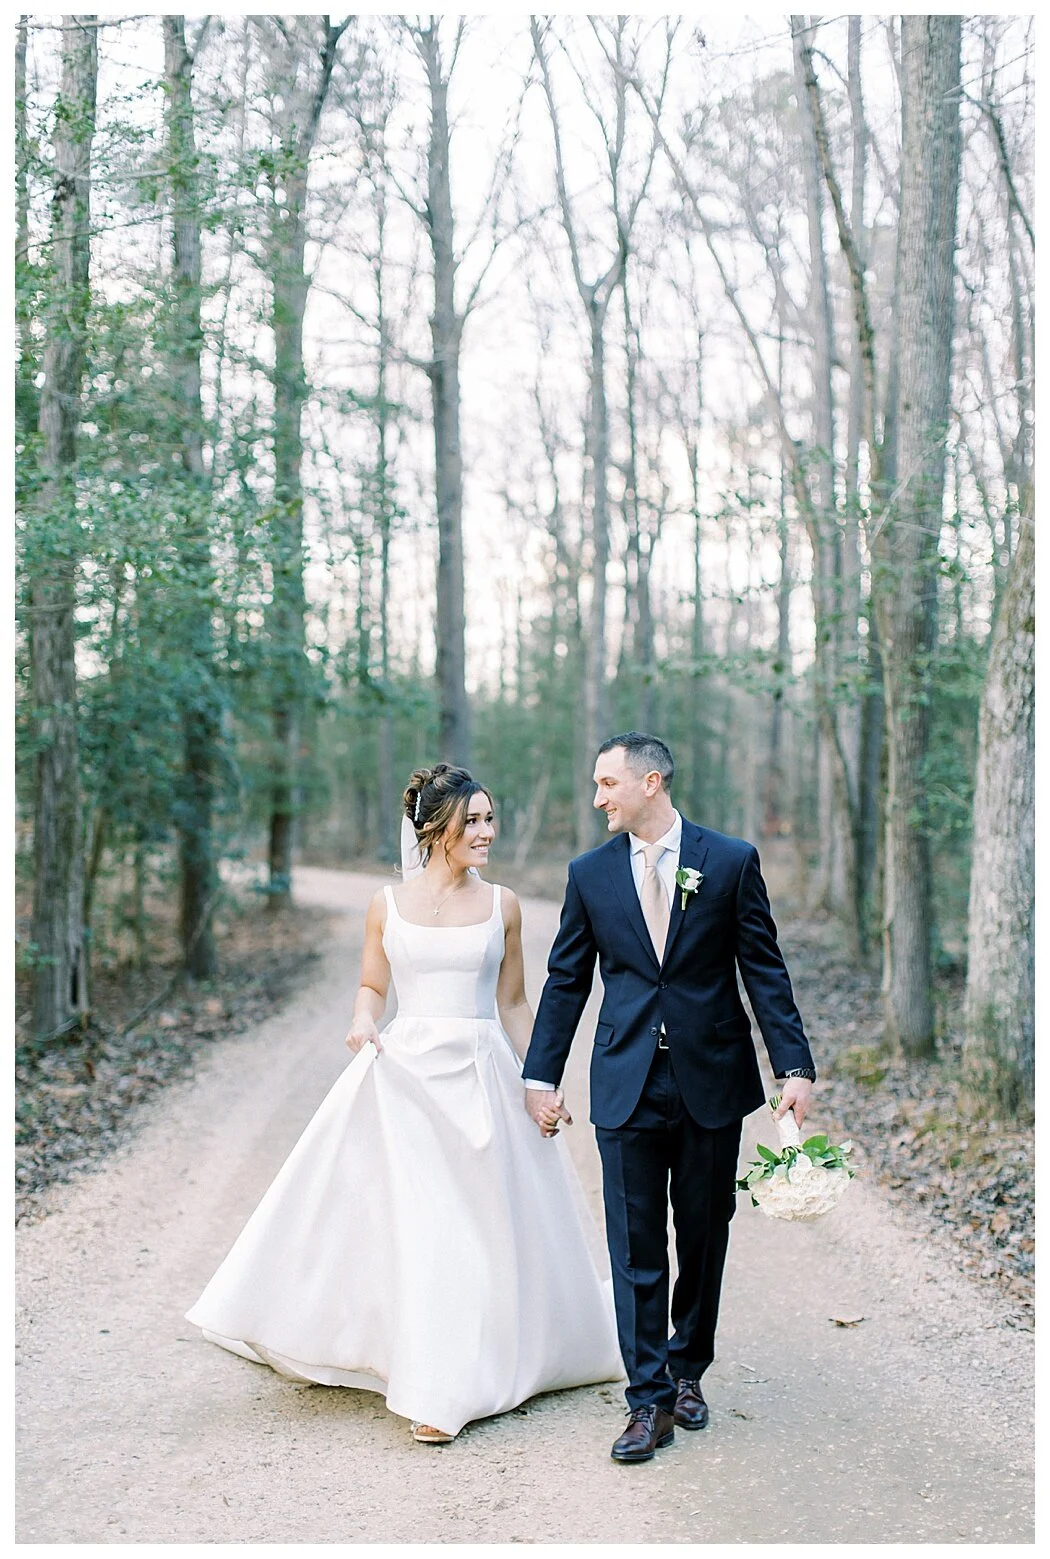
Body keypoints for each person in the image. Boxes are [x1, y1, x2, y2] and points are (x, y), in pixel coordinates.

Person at [185, 763, 622, 1443]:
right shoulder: (385, 905)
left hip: (481, 1079)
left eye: (490, 818)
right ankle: (436, 1386)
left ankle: (464, 1374)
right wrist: (363, 1021)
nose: (487, 831)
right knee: (428, 1230)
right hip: (408, 1079)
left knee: (478, 1230)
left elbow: (512, 1003)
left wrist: (541, 1079)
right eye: (472, 821)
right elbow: (372, 986)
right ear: (435, 828)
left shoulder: (503, 904)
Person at [522, 732, 816, 1464]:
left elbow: (763, 967)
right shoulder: (590, 874)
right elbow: (567, 979)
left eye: (608, 783)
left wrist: (793, 1065)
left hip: (709, 1078)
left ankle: (688, 1369)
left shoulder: (730, 861)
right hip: (625, 1080)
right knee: (634, 1246)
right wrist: (541, 1077)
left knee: (705, 1233)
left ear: (650, 782)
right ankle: (647, 1399)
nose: (599, 797)